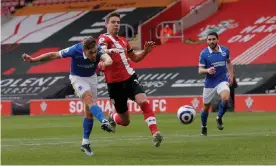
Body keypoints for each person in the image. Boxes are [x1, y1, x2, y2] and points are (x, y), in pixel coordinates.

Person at [22, 36, 115, 156]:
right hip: (77, 78)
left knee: (89, 110)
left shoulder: (98, 50)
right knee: (88, 99)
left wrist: (105, 62)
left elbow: (108, 59)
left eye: (95, 52)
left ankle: (85, 143)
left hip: (92, 78)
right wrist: (33, 60)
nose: (93, 55)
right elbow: (53, 55)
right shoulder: (74, 50)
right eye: (90, 53)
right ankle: (103, 120)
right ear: (83, 50)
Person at [97, 12, 163, 147]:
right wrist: (108, 53)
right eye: (113, 22)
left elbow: (136, 59)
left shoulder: (123, 41)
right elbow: (101, 51)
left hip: (129, 78)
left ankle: (155, 133)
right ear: (106, 24)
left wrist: (145, 51)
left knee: (143, 101)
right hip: (114, 85)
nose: (116, 24)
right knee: (125, 121)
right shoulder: (104, 39)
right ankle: (113, 116)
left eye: (118, 22)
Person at [198, 32, 234, 136]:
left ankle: (219, 118)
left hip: (222, 80)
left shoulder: (225, 50)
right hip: (210, 83)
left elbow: (229, 62)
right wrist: (207, 70)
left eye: (213, 39)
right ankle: (204, 127)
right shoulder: (204, 53)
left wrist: (231, 75)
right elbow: (200, 70)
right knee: (206, 107)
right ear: (207, 41)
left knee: (226, 98)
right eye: (209, 40)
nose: (211, 41)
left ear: (217, 40)